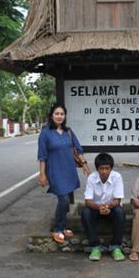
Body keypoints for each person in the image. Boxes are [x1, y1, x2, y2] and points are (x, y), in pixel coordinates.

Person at [38, 103, 91, 244]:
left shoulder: (68, 131)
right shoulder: (45, 133)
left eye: (62, 114)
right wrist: (42, 174)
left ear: (65, 116)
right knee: (64, 200)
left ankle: (63, 227)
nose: (59, 116)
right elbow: (42, 156)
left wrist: (84, 163)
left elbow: (78, 149)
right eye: (57, 113)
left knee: (66, 201)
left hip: (69, 170)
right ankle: (57, 229)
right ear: (51, 115)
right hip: (55, 171)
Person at [80, 152, 126, 261]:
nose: (104, 171)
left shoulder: (117, 176)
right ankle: (95, 247)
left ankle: (116, 247)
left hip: (112, 208)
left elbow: (118, 200)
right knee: (85, 212)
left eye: (107, 168)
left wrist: (108, 206)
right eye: (101, 168)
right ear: (97, 169)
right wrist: (99, 207)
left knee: (120, 212)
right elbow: (88, 201)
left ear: (111, 168)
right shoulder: (92, 178)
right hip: (96, 209)